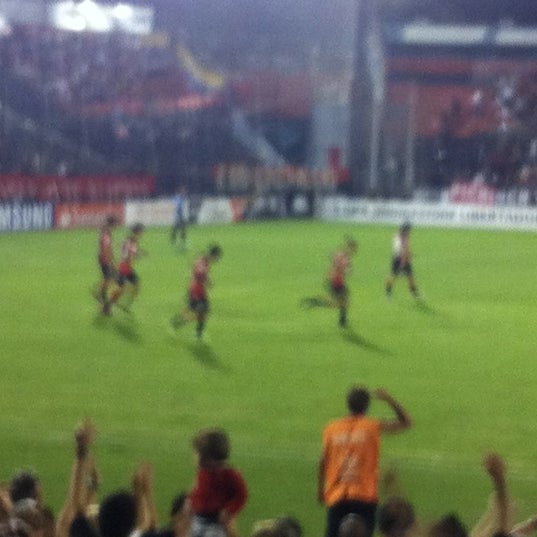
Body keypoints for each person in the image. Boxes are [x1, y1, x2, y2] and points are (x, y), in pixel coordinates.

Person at [317, 386, 412, 537]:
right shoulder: (372, 427)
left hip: (336, 495)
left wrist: (320, 490)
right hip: (364, 495)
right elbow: (406, 422)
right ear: (367, 405)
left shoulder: (331, 429)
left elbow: (322, 461)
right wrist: (388, 399)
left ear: (347, 404)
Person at [188, 428, 248, 537]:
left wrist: (228, 511)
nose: (194, 457)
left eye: (196, 453)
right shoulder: (202, 472)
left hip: (215, 523)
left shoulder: (229, 474)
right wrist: (190, 502)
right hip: (196, 520)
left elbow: (241, 496)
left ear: (208, 458)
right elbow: (197, 491)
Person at [301, 237, 358, 327]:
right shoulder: (345, 258)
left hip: (333, 280)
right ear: (349, 247)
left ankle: (342, 321)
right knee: (337, 304)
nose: (355, 250)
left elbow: (331, 255)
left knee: (345, 300)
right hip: (335, 282)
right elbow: (346, 268)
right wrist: (348, 271)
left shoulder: (339, 253)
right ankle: (316, 302)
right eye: (354, 248)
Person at [170, 244, 222, 339]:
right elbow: (199, 274)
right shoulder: (202, 262)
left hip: (199, 290)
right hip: (195, 291)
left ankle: (196, 333)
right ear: (213, 254)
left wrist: (207, 280)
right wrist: (207, 281)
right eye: (217, 256)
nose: (217, 259)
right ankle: (179, 323)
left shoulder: (204, 259)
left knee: (201, 312)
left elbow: (197, 272)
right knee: (197, 313)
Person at [103, 223, 145, 315]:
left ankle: (121, 304)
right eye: (141, 231)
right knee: (122, 289)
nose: (142, 234)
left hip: (124, 267)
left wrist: (138, 254)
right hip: (125, 268)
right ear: (137, 232)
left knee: (134, 285)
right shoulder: (133, 242)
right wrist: (135, 257)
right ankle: (109, 305)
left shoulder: (128, 239)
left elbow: (122, 248)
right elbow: (130, 255)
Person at [385, 223, 419, 299]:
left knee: (395, 275)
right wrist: (403, 263)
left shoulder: (396, 235)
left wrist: (408, 254)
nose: (410, 231)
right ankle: (414, 294)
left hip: (396, 257)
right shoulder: (404, 238)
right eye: (409, 230)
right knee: (406, 276)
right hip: (401, 259)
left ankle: (388, 293)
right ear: (406, 230)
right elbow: (403, 250)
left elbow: (399, 248)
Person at [94, 215, 118, 306]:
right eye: (115, 224)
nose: (117, 226)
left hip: (103, 258)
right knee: (109, 278)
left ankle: (101, 294)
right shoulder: (106, 234)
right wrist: (109, 261)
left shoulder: (105, 232)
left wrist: (112, 259)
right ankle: (100, 294)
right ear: (112, 224)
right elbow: (105, 249)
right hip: (104, 259)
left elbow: (107, 248)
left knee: (108, 278)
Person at [170, 186, 188, 251]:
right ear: (180, 192)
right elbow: (178, 208)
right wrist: (180, 216)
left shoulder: (180, 198)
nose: (184, 192)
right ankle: (181, 242)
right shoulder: (178, 198)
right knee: (182, 229)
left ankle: (174, 240)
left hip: (179, 216)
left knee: (177, 229)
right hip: (179, 216)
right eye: (183, 191)